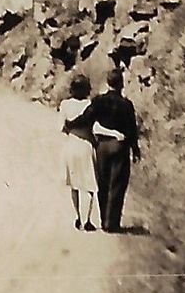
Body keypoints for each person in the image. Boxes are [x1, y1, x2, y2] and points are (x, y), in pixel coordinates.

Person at [84, 69, 141, 232]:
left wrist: (90, 137)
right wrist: (135, 149)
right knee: (117, 185)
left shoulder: (99, 101)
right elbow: (132, 129)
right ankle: (112, 223)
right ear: (121, 84)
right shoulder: (127, 104)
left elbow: (87, 119)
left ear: (108, 83)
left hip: (102, 146)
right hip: (120, 147)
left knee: (103, 183)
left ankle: (104, 221)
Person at [57, 76, 99, 231]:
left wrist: (71, 130)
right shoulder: (90, 104)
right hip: (86, 145)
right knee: (89, 184)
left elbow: (61, 127)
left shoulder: (65, 104)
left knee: (74, 185)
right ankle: (88, 219)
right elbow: (95, 128)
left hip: (71, 144)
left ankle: (78, 217)